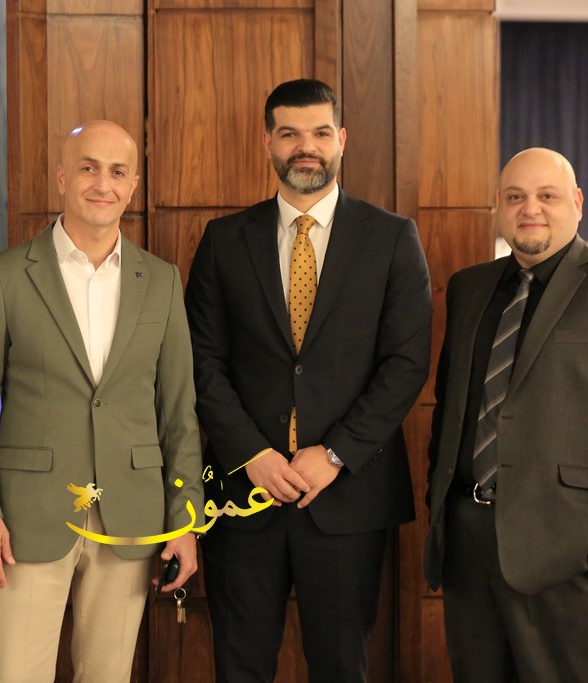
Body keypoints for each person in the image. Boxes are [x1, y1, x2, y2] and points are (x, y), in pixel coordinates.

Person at [185, 79, 431, 682]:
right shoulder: (224, 239)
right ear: (267, 142)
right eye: (290, 133)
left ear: (341, 139)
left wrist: (337, 453)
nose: (306, 147)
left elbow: (405, 364)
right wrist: (252, 455)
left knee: (341, 665)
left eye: (320, 132)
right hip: (244, 495)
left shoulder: (391, 237)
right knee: (239, 666)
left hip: (348, 496)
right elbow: (201, 362)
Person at [0, 120, 203, 683]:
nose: (102, 184)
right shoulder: (4, 277)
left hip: (131, 519)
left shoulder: (163, 281)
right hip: (26, 519)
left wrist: (185, 519)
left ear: (133, 186)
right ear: (63, 177)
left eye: (117, 172)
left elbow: (178, 413)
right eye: (88, 168)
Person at [424, 147, 588, 682]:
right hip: (467, 538)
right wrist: (439, 503)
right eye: (516, 197)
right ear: (498, 205)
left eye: (547, 196)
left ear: (577, 203)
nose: (530, 208)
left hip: (567, 545)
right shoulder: (470, 287)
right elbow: (451, 406)